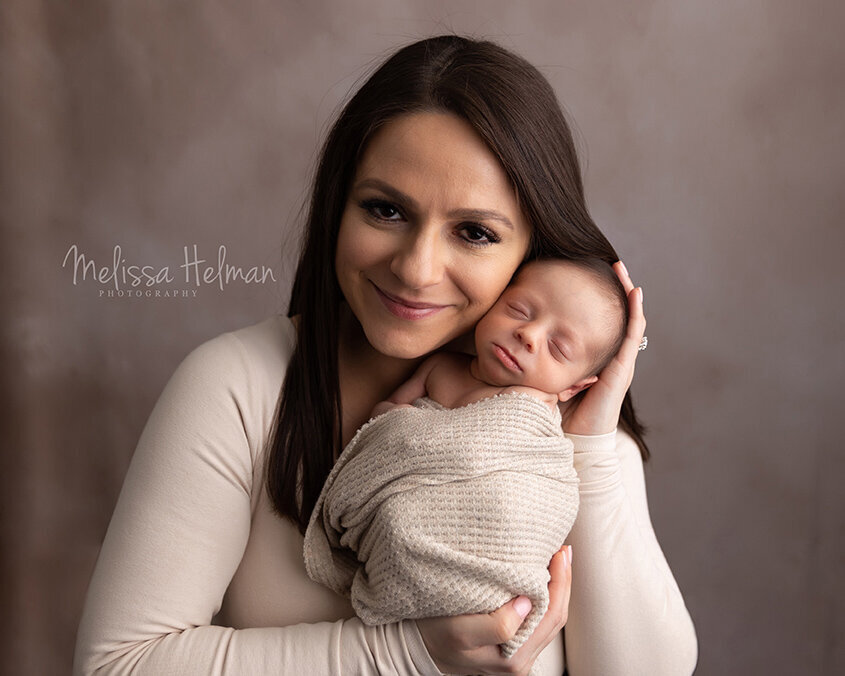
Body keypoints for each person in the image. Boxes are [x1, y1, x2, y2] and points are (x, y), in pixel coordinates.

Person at [74, 35, 698, 675]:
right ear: (338, 206)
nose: (417, 269)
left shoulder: (562, 423)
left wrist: (594, 447)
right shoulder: (238, 387)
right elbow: (118, 665)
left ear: (534, 249)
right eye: (386, 210)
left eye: (475, 232)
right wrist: (405, 652)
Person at [304, 257, 627, 663]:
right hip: (403, 513)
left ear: (574, 386)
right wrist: (406, 434)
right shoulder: (442, 365)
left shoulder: (540, 412)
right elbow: (386, 416)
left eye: (558, 348)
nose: (528, 335)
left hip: (485, 541)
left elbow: (535, 494)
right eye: (519, 311)